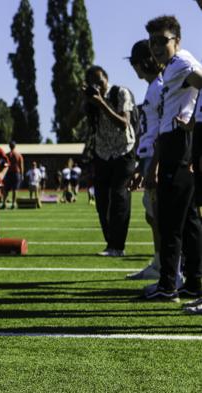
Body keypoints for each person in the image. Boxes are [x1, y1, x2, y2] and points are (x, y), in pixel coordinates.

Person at [139, 16, 202, 301]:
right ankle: (194, 281)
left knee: (169, 218)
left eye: (162, 40)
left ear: (176, 39)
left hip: (179, 142)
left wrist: (193, 122)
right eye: (152, 42)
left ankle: (167, 285)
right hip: (175, 141)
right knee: (188, 218)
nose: (156, 47)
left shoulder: (181, 63)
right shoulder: (171, 69)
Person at [80, 65, 136, 257]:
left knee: (119, 196)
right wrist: (83, 99)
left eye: (100, 82)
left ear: (106, 78)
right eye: (93, 84)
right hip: (102, 152)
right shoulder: (91, 100)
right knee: (101, 200)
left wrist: (101, 103)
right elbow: (70, 123)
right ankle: (110, 242)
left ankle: (117, 246)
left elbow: (123, 123)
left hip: (124, 150)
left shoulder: (121, 92)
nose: (98, 87)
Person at [125, 39, 163, 281]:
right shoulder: (152, 87)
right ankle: (160, 262)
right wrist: (141, 163)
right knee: (152, 214)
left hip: (158, 158)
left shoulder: (160, 86)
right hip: (149, 157)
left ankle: (169, 267)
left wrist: (154, 165)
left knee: (161, 215)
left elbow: (163, 128)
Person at [2, 141, 23, 209]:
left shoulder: (7, 155)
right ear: (15, 146)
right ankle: (13, 203)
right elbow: (21, 165)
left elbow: (4, 165)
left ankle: (4, 203)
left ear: (9, 146)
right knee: (15, 189)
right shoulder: (18, 155)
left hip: (8, 173)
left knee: (6, 189)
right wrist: (22, 175)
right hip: (16, 173)